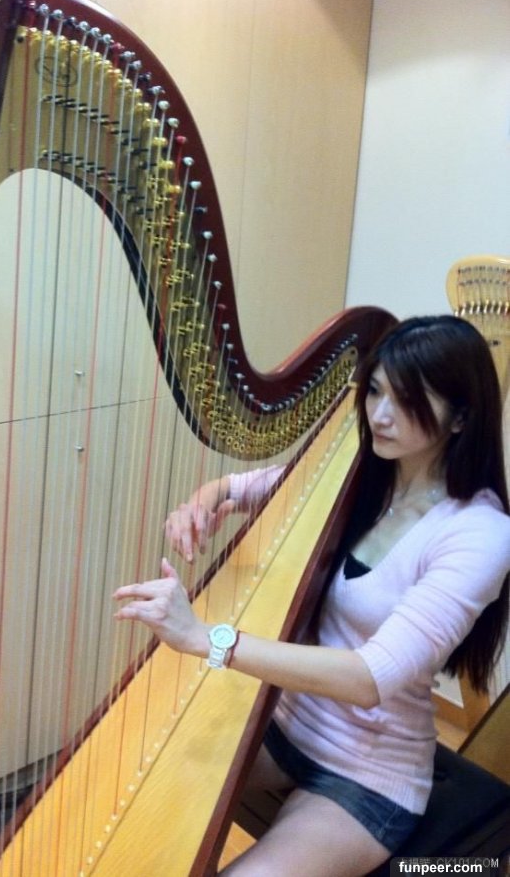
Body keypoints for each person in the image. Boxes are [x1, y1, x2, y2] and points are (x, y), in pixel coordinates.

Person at [113, 315, 510, 876]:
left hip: (368, 771)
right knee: (127, 785)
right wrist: (202, 504)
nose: (379, 414)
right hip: (280, 725)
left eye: (406, 401)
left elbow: (370, 677)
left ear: (462, 417)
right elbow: (236, 487)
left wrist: (207, 639)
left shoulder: (480, 534)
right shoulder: (363, 473)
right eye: (375, 390)